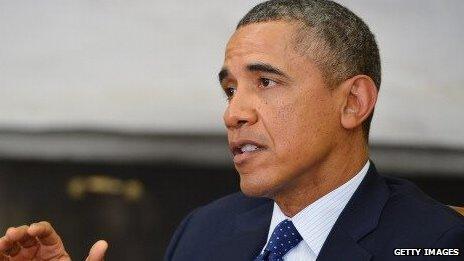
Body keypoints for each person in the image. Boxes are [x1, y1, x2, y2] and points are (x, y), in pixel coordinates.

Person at [1, 0, 463, 260]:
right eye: (229, 91)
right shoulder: (202, 232)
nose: (234, 114)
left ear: (352, 102)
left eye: (266, 82)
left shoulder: (436, 244)